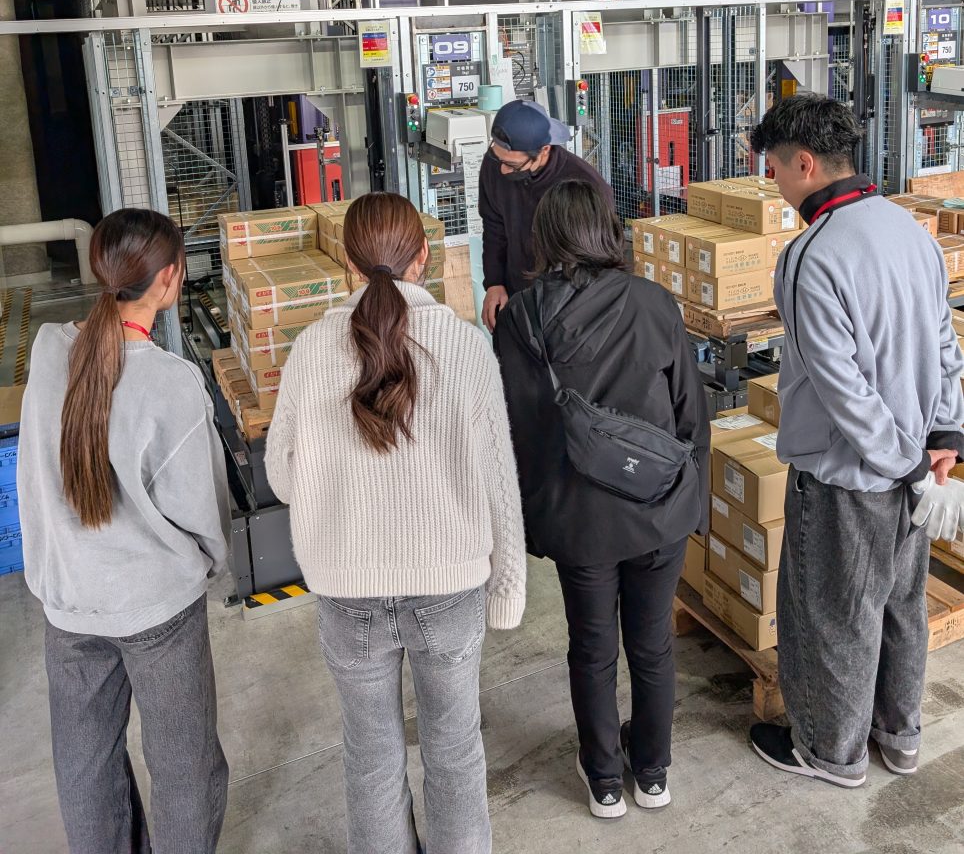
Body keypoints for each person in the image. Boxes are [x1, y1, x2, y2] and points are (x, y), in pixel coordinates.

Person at [266, 191, 527, 854]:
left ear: (349, 264)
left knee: (370, 753)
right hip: (450, 586)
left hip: (346, 590)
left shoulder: (311, 349)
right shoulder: (465, 346)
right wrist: (508, 588)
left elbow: (281, 476)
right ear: (423, 258)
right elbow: (499, 480)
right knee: (455, 748)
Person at [746, 95, 964, 787]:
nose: (776, 184)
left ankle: (830, 752)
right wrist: (943, 435)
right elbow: (944, 342)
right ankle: (900, 736)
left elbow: (842, 389)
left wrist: (903, 464)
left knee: (832, 615)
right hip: (919, 468)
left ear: (806, 164)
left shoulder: (811, 255)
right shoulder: (910, 232)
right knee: (901, 605)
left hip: (850, 477)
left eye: (776, 169)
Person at [16, 208, 232, 853]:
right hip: (157, 607)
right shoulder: (170, 382)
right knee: (184, 765)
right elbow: (203, 512)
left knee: (86, 762)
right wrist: (208, 564)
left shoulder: (47, 349)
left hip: (68, 600)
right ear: (168, 279)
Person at [494, 180, 709, 819]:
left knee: (592, 649)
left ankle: (605, 781)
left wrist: (537, 514)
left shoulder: (521, 320)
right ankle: (653, 774)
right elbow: (689, 413)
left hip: (578, 518)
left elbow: (517, 429)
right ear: (608, 231)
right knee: (653, 645)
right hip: (656, 508)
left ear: (544, 237)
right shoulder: (654, 302)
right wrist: (688, 499)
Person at [478, 98, 614, 331]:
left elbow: (601, 261)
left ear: (544, 150)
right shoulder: (495, 164)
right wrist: (494, 283)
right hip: (515, 295)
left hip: (570, 310)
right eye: (499, 159)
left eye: (513, 166)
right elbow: (493, 227)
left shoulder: (585, 185)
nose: (503, 170)